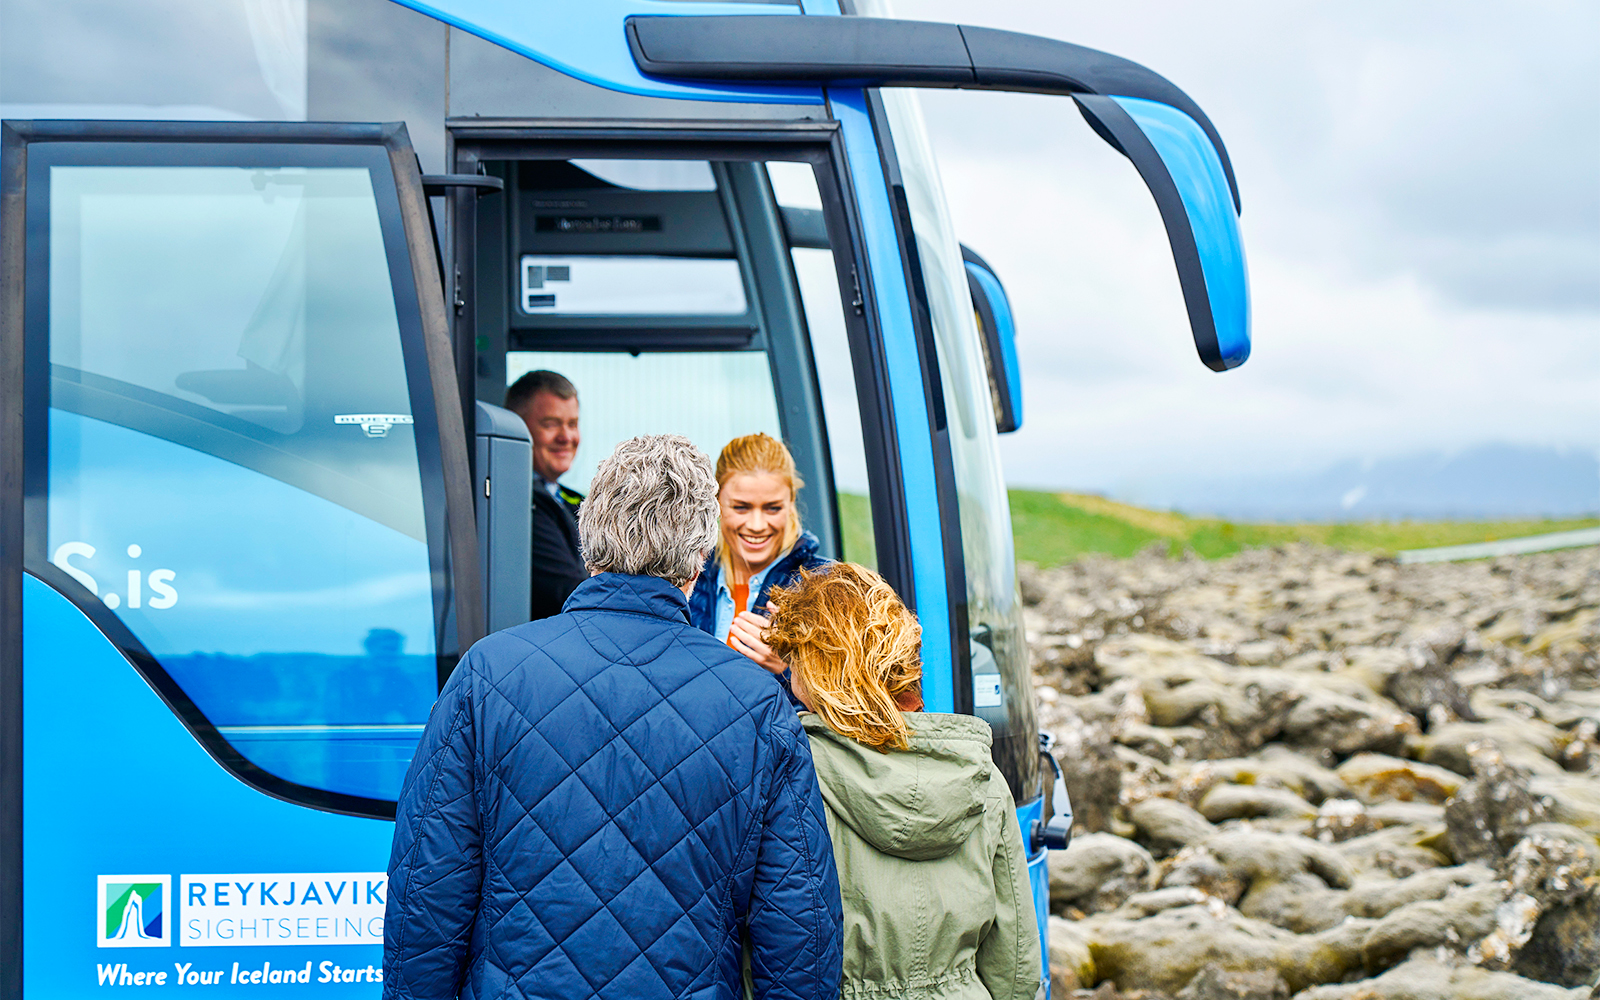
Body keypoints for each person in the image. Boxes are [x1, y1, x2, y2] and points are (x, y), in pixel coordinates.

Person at [383, 434, 843, 1000]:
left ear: (589, 544)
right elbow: (798, 931)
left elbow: (427, 889)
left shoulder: (488, 672)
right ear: (699, 557)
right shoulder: (758, 701)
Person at [766, 563, 1042, 1000]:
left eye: (794, 660)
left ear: (818, 672)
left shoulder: (790, 775)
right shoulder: (978, 773)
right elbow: (1016, 962)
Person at [688, 433, 829, 682]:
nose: (756, 525)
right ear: (716, 503)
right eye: (741, 507)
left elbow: (851, 697)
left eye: (772, 508)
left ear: (791, 503)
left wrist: (790, 670)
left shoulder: (824, 586)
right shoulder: (687, 577)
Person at [505, 370, 585, 620]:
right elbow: (571, 592)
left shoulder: (571, 499)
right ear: (517, 429)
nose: (566, 437)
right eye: (550, 424)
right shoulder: (515, 502)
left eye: (572, 424)